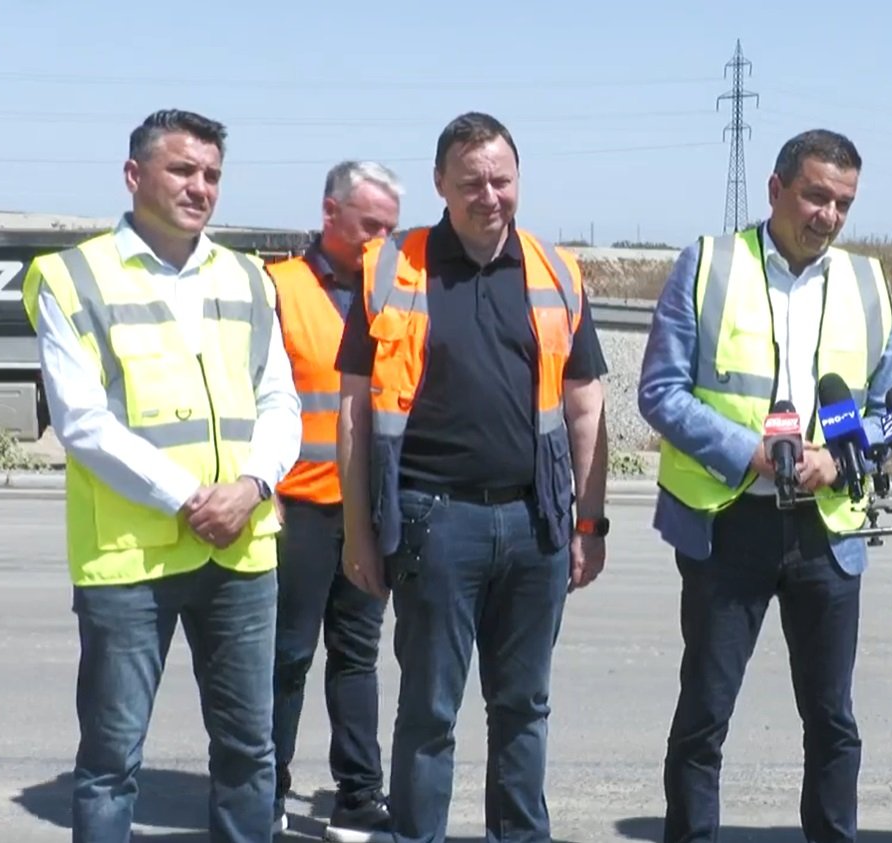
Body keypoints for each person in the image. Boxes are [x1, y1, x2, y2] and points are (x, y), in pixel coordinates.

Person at [21, 108, 301, 842]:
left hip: (241, 551)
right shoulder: (74, 277)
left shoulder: (247, 277)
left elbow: (280, 400)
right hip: (129, 561)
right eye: (181, 169)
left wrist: (252, 486)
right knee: (111, 761)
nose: (199, 186)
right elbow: (82, 421)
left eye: (211, 174)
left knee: (249, 753)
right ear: (133, 174)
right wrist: (190, 498)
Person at [334, 111, 610, 843]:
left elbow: (586, 407)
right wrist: (358, 531)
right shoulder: (391, 268)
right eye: (471, 183)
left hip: (534, 524)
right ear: (439, 184)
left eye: (501, 180)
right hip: (433, 523)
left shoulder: (556, 271)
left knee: (523, 707)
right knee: (429, 711)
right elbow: (354, 410)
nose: (489, 196)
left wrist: (589, 523)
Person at [638, 128, 892, 843]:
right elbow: (660, 392)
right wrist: (749, 453)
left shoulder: (867, 282)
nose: (828, 215)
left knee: (832, 719)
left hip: (827, 529)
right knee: (704, 715)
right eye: (816, 196)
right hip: (730, 523)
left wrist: (841, 458)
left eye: (843, 203)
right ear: (776, 188)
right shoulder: (708, 263)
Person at [264, 160, 402, 841]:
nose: (381, 239)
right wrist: (262, 490)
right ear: (330, 213)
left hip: (367, 511)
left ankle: (357, 795)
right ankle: (265, 786)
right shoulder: (279, 288)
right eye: (370, 225)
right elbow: (250, 397)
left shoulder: (394, 294)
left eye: (390, 228)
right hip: (297, 508)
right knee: (286, 655)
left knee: (357, 655)